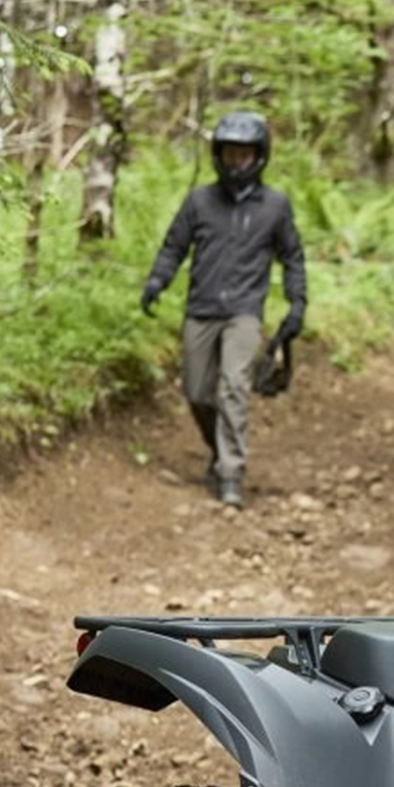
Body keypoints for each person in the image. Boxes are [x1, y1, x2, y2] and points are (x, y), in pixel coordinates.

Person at [141, 111, 307, 510]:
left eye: (244, 154)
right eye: (230, 153)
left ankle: (232, 471)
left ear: (259, 156)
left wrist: (297, 304)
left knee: (234, 387)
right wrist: (156, 281)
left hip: (245, 311)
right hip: (202, 307)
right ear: (219, 154)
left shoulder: (275, 206)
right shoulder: (200, 201)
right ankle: (217, 450)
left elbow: (293, 257)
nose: (237, 162)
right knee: (197, 391)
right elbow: (174, 247)